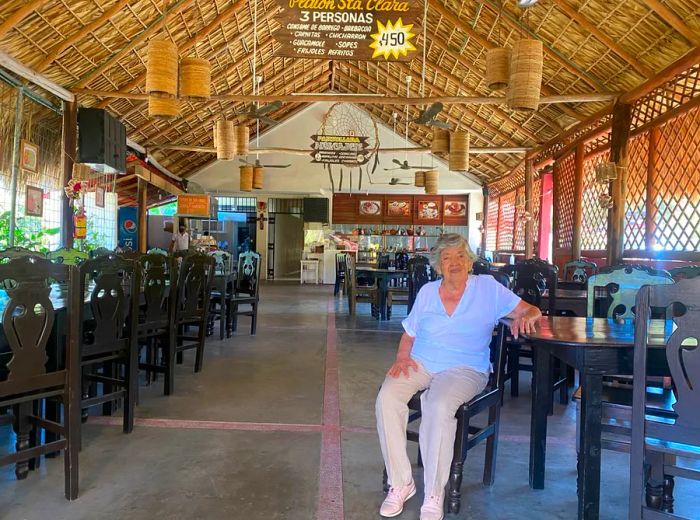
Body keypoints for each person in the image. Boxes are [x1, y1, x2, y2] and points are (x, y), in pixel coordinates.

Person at [375, 234, 541, 520]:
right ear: (438, 265)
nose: (454, 263)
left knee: (437, 405)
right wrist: (402, 358)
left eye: (460, 256)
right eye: (447, 258)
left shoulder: (488, 289)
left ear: (470, 260)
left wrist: (529, 315)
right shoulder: (428, 292)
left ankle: (434, 493)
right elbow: (409, 335)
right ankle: (401, 483)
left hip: (465, 368)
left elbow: (529, 309)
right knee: (387, 398)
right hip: (422, 361)